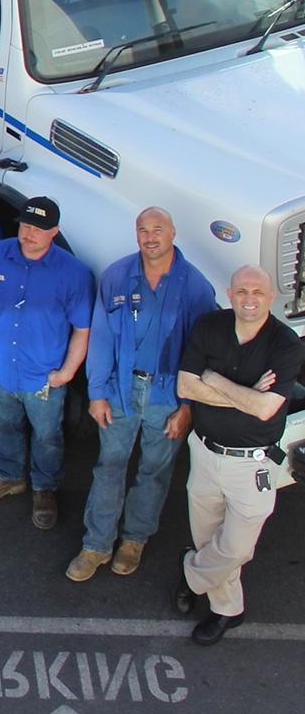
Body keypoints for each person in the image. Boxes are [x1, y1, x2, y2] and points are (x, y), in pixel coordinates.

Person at [68, 208, 217, 583]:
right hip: (120, 390)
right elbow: (101, 338)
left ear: (173, 232)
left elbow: (202, 353)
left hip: (168, 395)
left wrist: (188, 407)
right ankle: (96, 544)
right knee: (109, 466)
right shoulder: (117, 276)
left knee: (154, 471)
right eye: (143, 230)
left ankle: (134, 539)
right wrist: (97, 392)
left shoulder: (196, 287)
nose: (150, 237)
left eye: (158, 229)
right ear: (136, 235)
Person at [173, 265, 303, 645]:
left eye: (258, 292)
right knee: (209, 535)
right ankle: (228, 611)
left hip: (253, 463)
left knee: (236, 546)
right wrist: (245, 392)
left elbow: (265, 410)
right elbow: (186, 385)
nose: (249, 298)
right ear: (229, 294)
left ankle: (192, 572)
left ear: (271, 297)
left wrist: (211, 378)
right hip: (205, 451)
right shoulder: (209, 326)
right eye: (242, 291)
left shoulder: (285, 344)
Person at [0, 196, 95, 530]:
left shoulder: (74, 273)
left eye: (39, 228)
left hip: (42, 378)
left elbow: (83, 329)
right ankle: (9, 475)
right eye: (26, 225)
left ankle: (44, 487)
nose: (30, 233)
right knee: (3, 425)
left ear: (55, 231)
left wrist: (67, 372)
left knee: (47, 435)